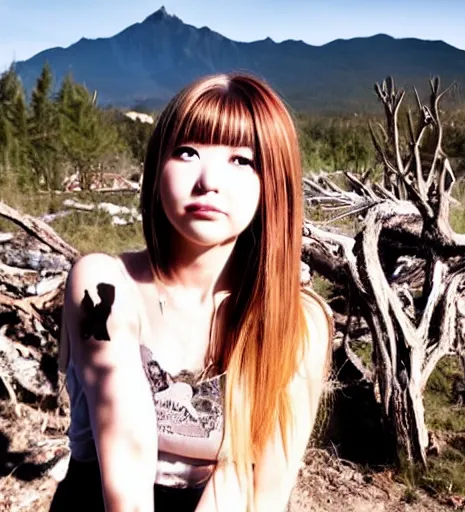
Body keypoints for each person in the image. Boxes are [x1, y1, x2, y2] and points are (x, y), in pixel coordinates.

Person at [51, 72, 333, 512]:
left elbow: (261, 488)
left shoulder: (296, 323)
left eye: (242, 160)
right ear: (157, 165)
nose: (208, 180)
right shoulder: (103, 285)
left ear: (273, 183)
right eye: (187, 151)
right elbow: (126, 450)